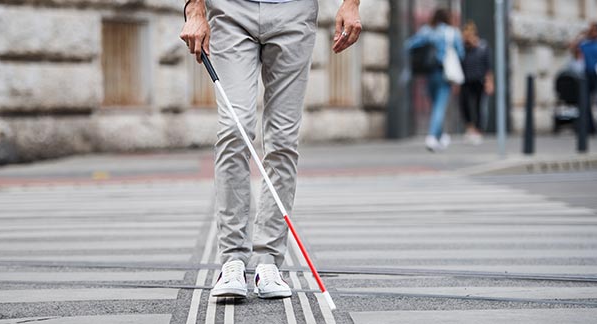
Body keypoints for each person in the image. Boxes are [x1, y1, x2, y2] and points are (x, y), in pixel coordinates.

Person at [180, 0, 362, 299]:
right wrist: (194, 9)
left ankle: (268, 262)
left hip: (295, 12)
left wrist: (351, 3)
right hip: (230, 10)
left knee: (282, 139)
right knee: (234, 129)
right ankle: (233, 261)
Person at [406, 8, 465, 152]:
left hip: (429, 73)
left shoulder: (426, 31)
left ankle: (441, 136)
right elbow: (461, 54)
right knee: (439, 106)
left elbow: (409, 45)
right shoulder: (452, 33)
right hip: (444, 74)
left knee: (435, 105)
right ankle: (432, 137)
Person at [459, 21, 493, 145]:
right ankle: (470, 128)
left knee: (480, 106)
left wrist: (489, 82)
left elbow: (488, 65)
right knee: (464, 105)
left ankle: (479, 131)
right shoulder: (462, 47)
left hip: (479, 80)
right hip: (465, 80)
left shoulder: (483, 46)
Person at [576, 22, 597, 134]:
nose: (594, 33)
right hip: (588, 75)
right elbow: (573, 48)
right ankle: (589, 127)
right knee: (586, 101)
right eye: (592, 30)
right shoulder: (585, 44)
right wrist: (581, 35)